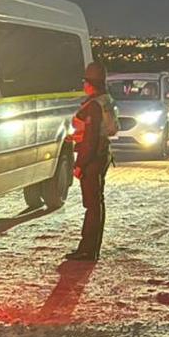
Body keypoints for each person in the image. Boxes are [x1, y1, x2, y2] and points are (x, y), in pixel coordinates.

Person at [66, 61, 116, 262]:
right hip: (102, 155)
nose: (83, 85)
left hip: (93, 158)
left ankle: (87, 249)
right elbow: (96, 133)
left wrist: (80, 165)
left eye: (85, 81)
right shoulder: (105, 100)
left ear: (91, 83)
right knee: (97, 203)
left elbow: (91, 138)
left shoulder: (94, 105)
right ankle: (91, 248)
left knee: (92, 205)